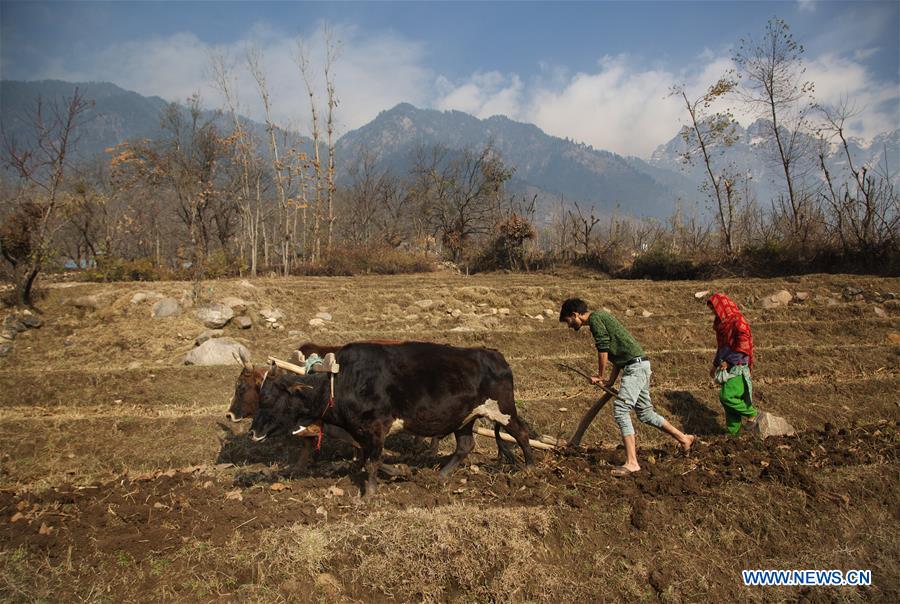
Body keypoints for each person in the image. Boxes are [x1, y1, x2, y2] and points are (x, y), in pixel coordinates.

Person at [559, 298, 694, 476]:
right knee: (646, 413)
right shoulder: (601, 318)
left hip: (635, 368)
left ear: (575, 314)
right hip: (637, 365)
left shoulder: (595, 320)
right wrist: (610, 381)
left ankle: (632, 462)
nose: (570, 326)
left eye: (569, 321)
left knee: (621, 409)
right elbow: (618, 358)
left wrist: (600, 376)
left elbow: (603, 350)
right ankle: (684, 438)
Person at [706, 293, 757, 434]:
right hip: (727, 366)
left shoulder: (737, 321)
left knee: (727, 396)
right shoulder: (722, 324)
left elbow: (743, 344)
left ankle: (751, 413)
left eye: (715, 309)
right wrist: (715, 364)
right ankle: (733, 434)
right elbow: (721, 348)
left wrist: (729, 362)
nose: (714, 313)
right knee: (729, 405)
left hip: (738, 366)